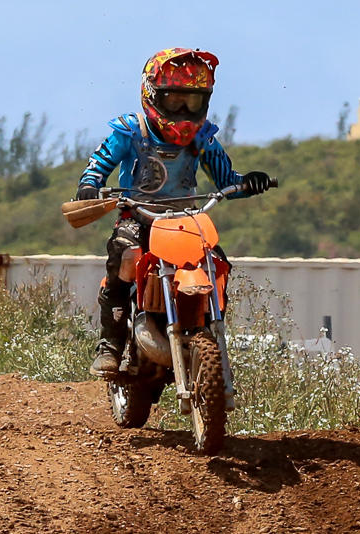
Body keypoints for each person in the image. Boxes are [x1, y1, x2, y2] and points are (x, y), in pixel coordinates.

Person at [76, 47, 273, 376]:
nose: (183, 110)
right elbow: (98, 165)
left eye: (192, 101)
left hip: (185, 219)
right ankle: (110, 345)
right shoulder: (131, 131)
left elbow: (226, 180)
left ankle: (209, 328)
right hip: (138, 216)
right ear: (152, 94)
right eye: (175, 100)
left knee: (217, 263)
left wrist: (248, 183)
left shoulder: (202, 137)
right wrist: (89, 185)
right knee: (126, 256)